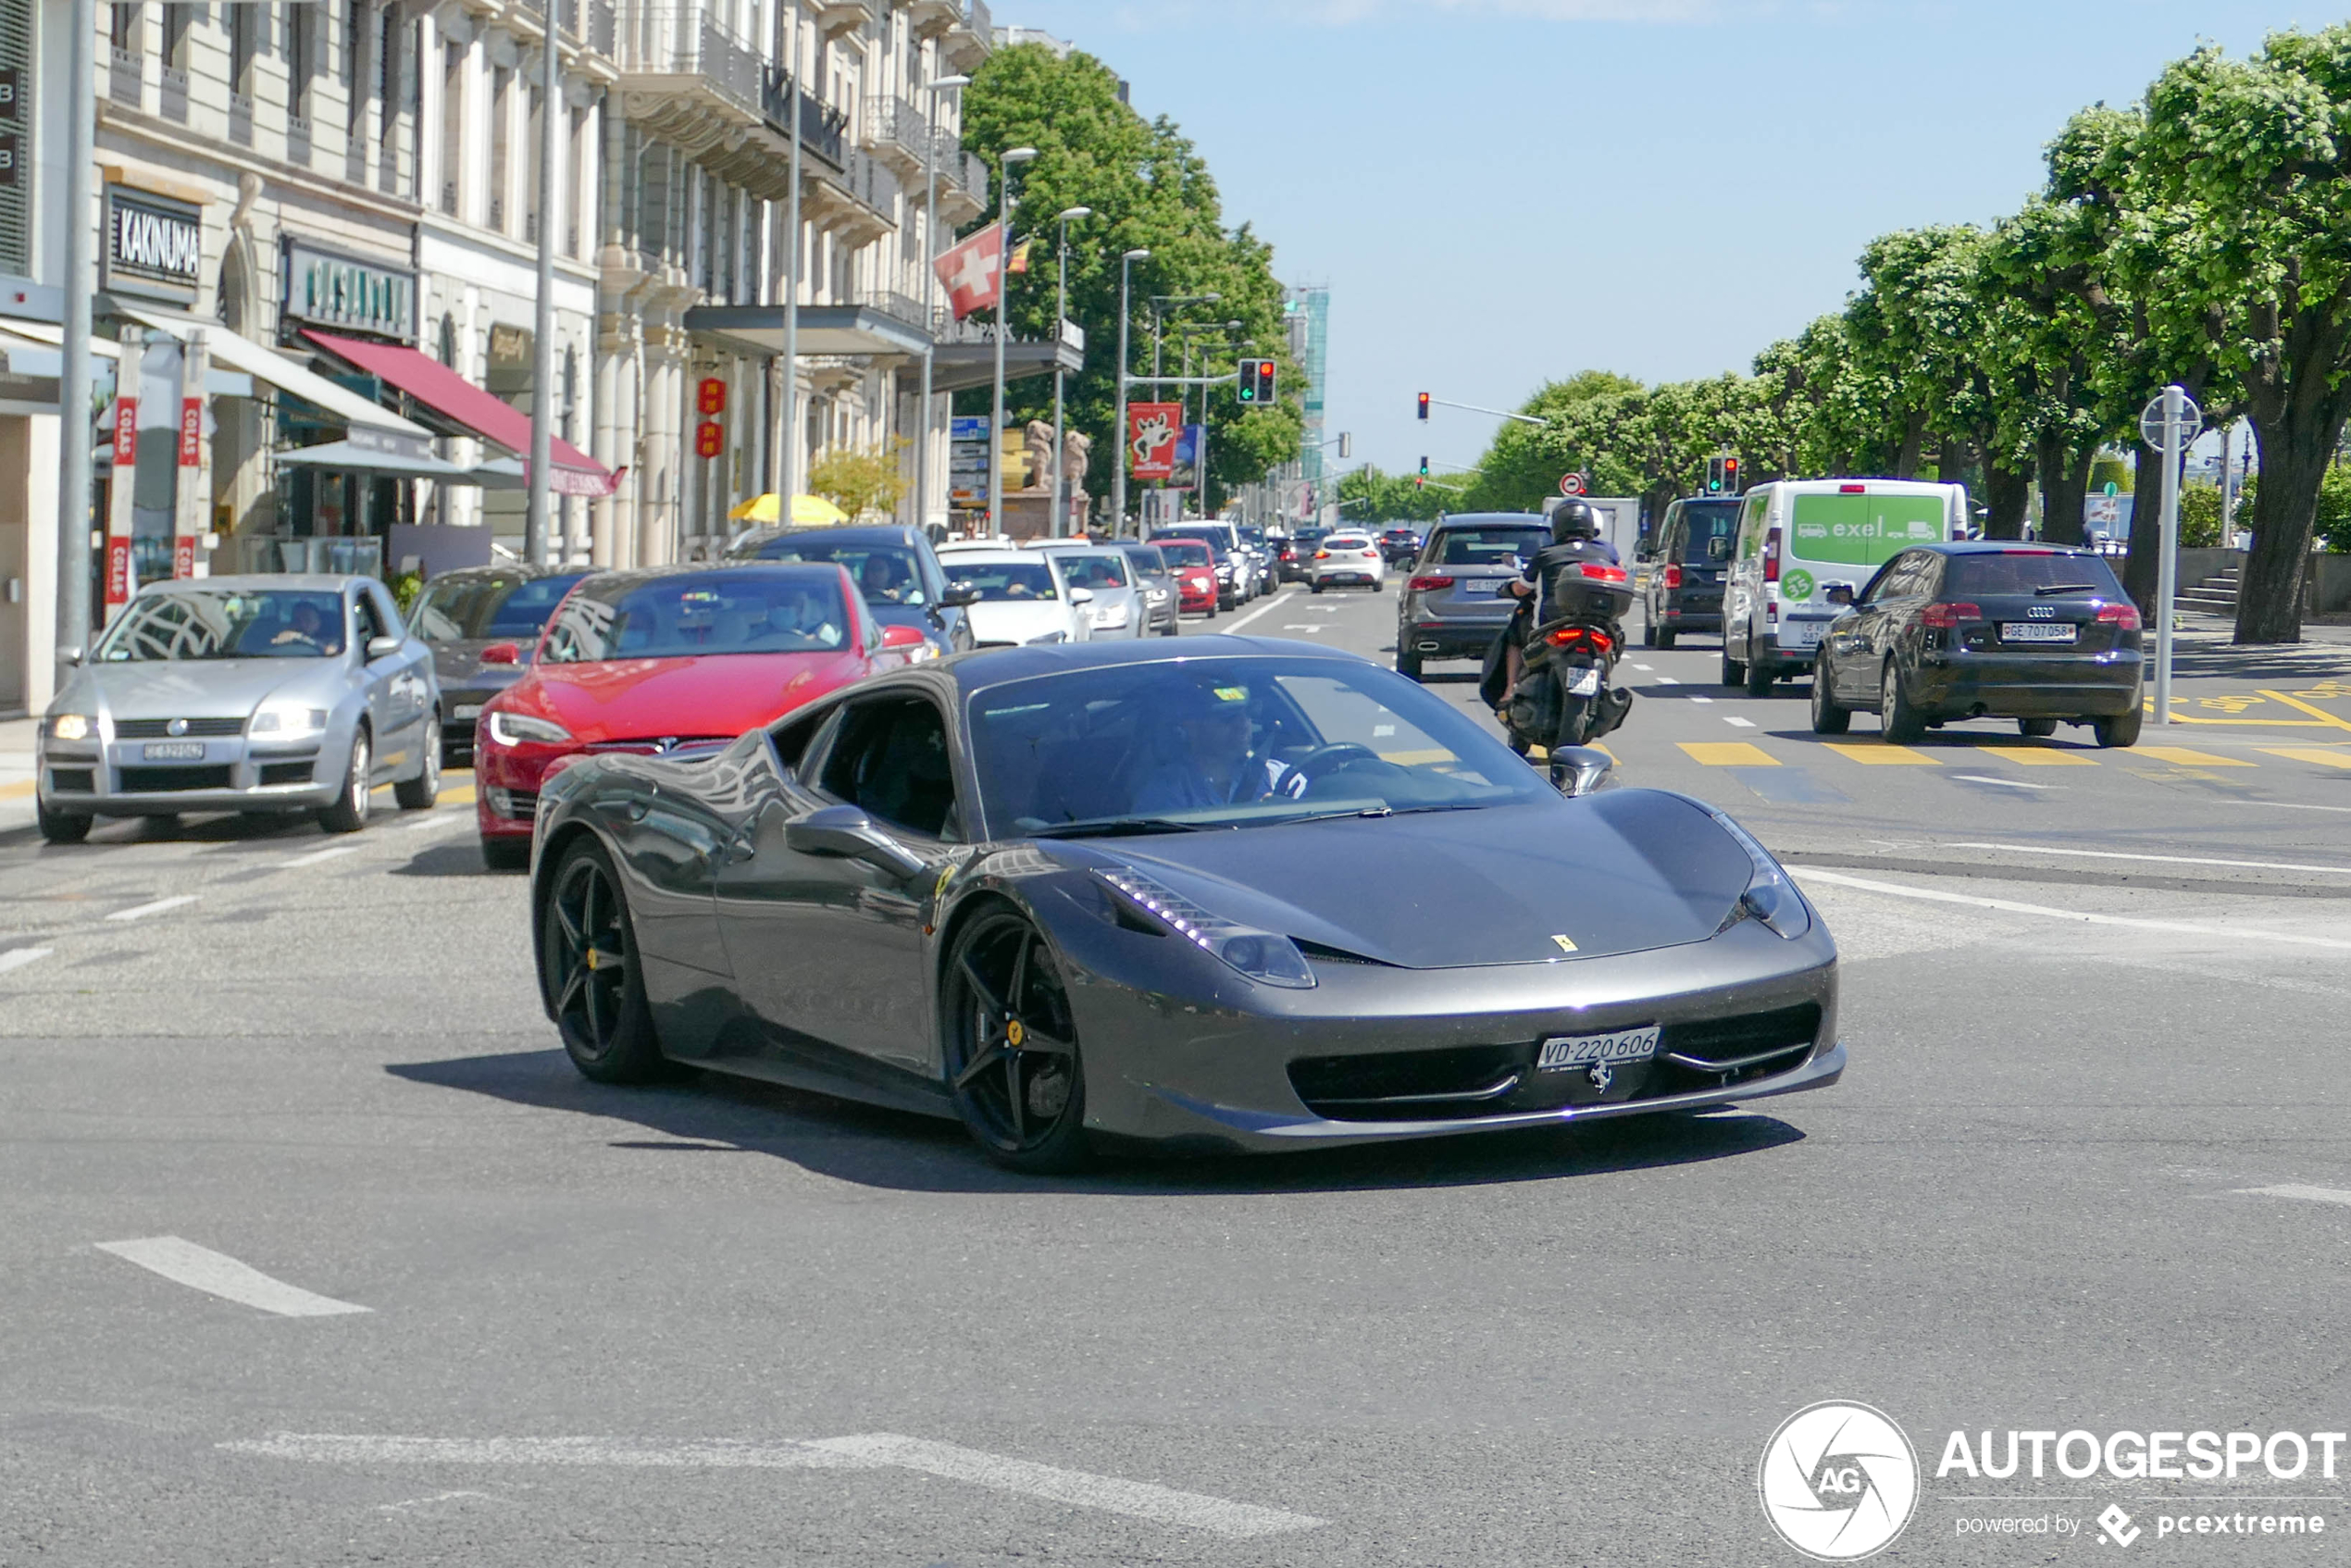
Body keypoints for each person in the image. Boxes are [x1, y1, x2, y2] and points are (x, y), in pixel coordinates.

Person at [1489, 500, 1620, 705]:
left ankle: (1510, 690)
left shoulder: (1547, 554)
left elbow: (1522, 589)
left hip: (1551, 626)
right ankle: (1604, 681)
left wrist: (1507, 589)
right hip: (1598, 626)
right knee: (1616, 642)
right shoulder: (1606, 553)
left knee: (1514, 637)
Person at [1131, 681, 1304, 814]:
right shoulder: (1169, 789)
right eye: (1228, 717)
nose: (1242, 724)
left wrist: (1289, 814)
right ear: (1192, 727)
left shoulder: (1278, 776)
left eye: (1248, 713)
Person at [270, 600, 341, 654]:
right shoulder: (285, 638)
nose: (302, 624)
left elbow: (332, 654)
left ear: (318, 623)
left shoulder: (337, 641)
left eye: (308, 620)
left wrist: (301, 638)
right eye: (297, 620)